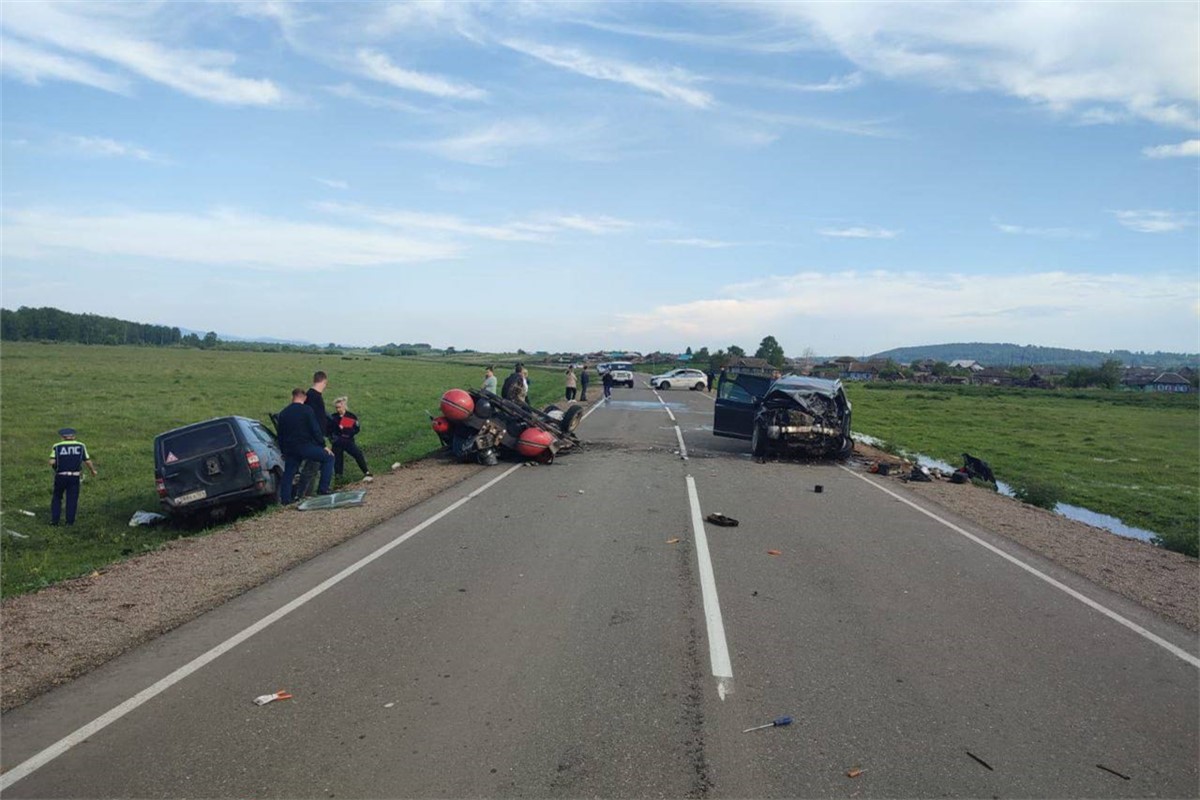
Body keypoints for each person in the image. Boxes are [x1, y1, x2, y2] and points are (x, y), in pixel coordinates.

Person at [277, 388, 334, 504]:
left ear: (292, 397)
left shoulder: (283, 413)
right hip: (305, 446)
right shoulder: (307, 410)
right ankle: (323, 489)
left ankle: (286, 500)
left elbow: (280, 435)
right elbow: (315, 429)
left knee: (288, 473)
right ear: (304, 398)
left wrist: (283, 451)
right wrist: (323, 445)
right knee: (329, 458)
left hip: (290, 449)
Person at [49, 427, 97, 525]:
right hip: (74, 476)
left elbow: (51, 461)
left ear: (62, 437)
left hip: (61, 475)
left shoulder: (57, 446)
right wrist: (93, 471)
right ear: (74, 436)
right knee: (72, 499)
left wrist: (55, 466)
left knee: (57, 497)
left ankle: (55, 520)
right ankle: (69, 522)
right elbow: (87, 460)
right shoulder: (81, 446)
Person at [297, 370, 330, 498]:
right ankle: (303, 494)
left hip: (314, 436)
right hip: (314, 438)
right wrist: (319, 437)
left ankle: (306, 493)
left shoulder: (310, 396)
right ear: (324, 382)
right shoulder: (314, 397)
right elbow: (313, 420)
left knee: (314, 466)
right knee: (311, 466)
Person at [329, 396, 372, 482]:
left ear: (344, 406)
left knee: (358, 454)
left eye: (339, 407)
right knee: (337, 460)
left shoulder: (351, 416)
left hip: (348, 441)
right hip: (337, 442)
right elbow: (330, 429)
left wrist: (344, 429)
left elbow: (352, 429)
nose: (338, 409)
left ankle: (366, 471)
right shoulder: (333, 417)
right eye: (336, 407)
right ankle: (339, 478)